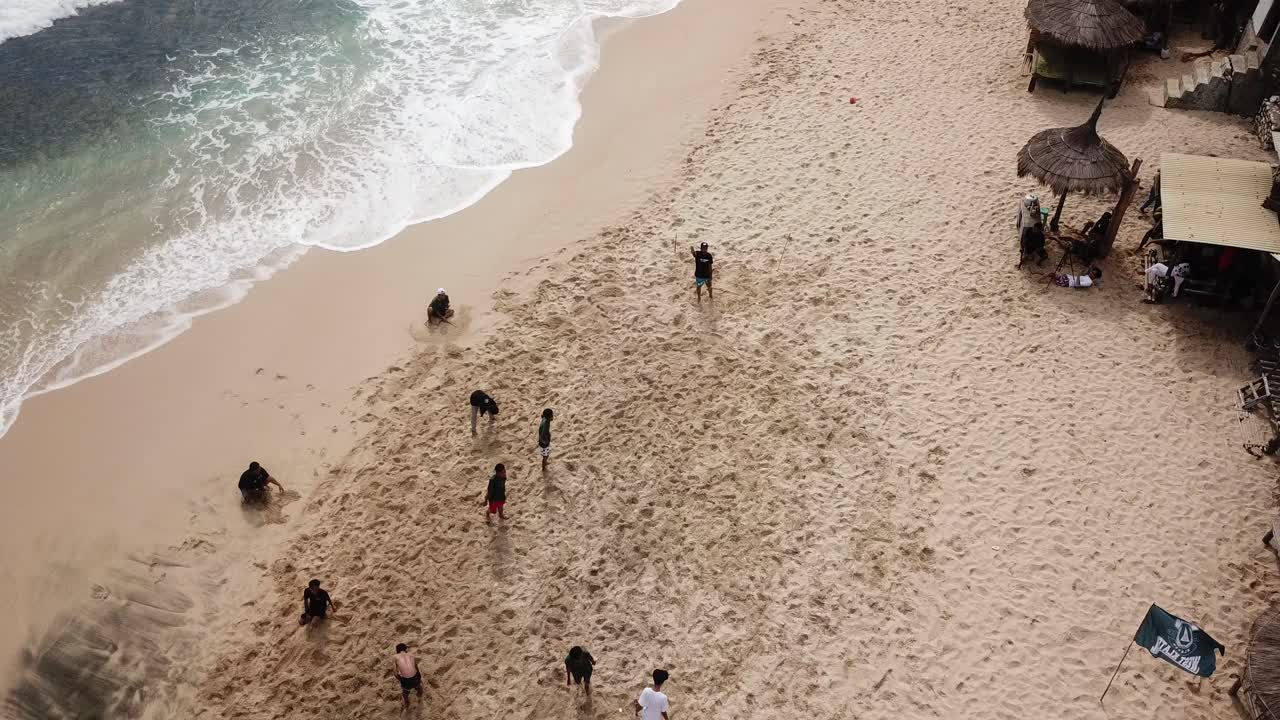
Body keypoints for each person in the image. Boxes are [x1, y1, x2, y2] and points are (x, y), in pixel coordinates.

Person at [392, 643, 424, 709]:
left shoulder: (395, 657)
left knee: (405, 692)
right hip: (416, 677)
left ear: (397, 651)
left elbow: (395, 673)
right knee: (418, 685)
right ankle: (420, 693)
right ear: (405, 649)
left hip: (406, 680)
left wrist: (401, 679)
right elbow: (416, 667)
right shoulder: (411, 654)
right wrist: (418, 676)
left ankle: (406, 702)